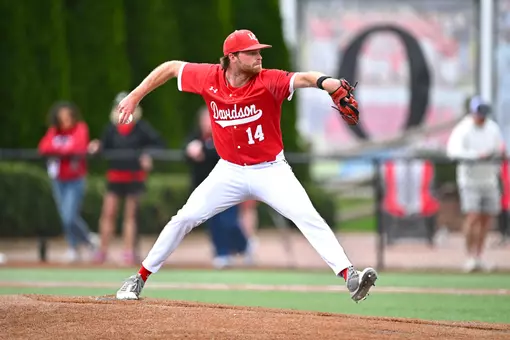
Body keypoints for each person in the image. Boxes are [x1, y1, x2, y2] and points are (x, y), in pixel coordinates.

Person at [114, 29, 377, 303]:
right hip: (229, 170)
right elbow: (171, 68)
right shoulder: (209, 77)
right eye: (251, 52)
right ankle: (139, 277)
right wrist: (136, 95)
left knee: (307, 216)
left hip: (271, 170)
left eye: (259, 51)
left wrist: (328, 83)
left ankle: (350, 276)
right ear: (232, 57)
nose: (259, 56)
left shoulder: (268, 80)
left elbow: (305, 78)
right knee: (184, 218)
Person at [88, 92, 166, 266]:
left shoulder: (141, 127)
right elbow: (104, 146)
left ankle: (128, 251)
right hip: (115, 176)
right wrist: (96, 146)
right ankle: (102, 250)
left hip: (134, 177)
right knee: (108, 213)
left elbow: (158, 144)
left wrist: (147, 155)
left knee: (130, 216)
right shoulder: (111, 128)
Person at [446, 96, 506, 272]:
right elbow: (453, 151)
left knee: (486, 219)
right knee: (472, 217)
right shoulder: (462, 129)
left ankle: (479, 255)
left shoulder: (492, 128)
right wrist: (475, 155)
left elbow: (499, 148)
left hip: (489, 179)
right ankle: (470, 256)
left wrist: (494, 155)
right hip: (470, 180)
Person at [185, 106, 249, 269]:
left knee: (229, 221)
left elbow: (221, 153)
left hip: (228, 188)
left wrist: (203, 151)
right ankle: (222, 253)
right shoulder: (195, 137)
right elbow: (185, 152)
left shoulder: (224, 135)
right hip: (206, 190)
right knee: (213, 223)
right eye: (204, 120)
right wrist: (190, 151)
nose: (207, 123)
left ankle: (244, 246)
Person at [38, 101, 99, 263]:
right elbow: (43, 147)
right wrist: (63, 151)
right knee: (65, 215)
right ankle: (75, 246)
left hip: (75, 178)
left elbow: (78, 147)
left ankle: (87, 240)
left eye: (67, 116)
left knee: (69, 216)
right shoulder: (54, 131)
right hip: (58, 179)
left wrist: (59, 151)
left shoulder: (80, 128)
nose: (65, 120)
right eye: (61, 117)